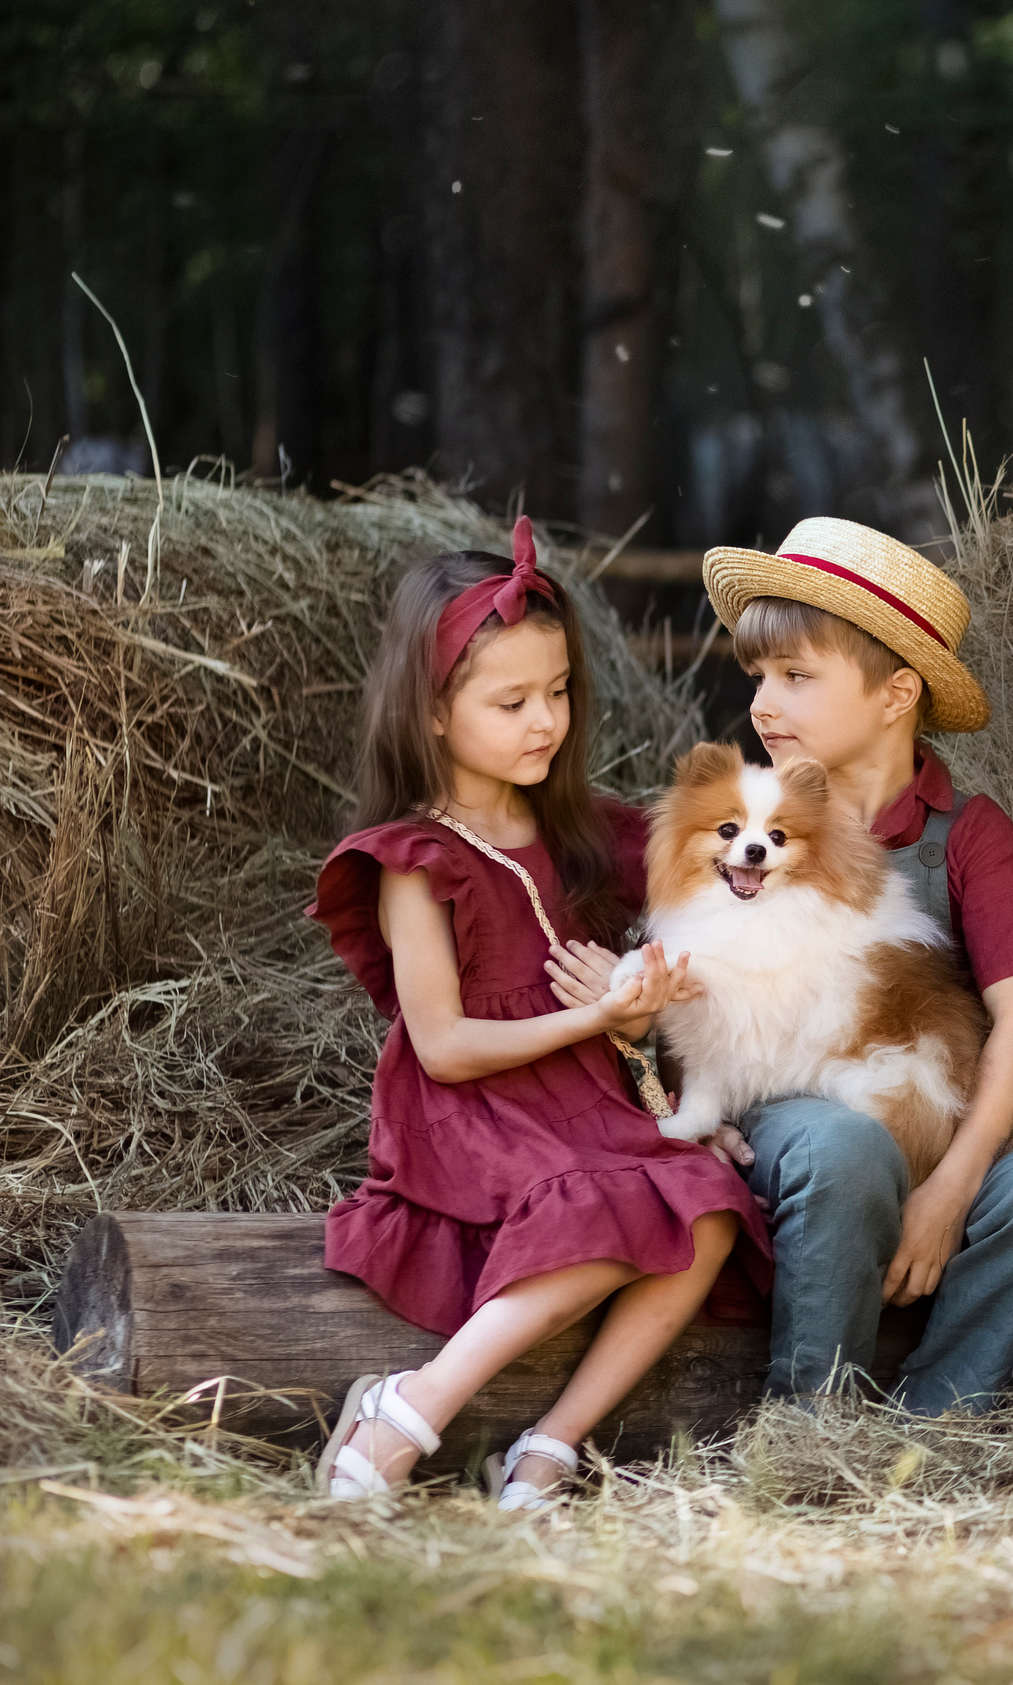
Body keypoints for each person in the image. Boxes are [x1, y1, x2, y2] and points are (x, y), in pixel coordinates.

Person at [306, 518, 770, 1509]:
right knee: (604, 1207)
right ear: (432, 712)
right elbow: (445, 1045)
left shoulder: (586, 833)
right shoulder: (413, 862)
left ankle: (550, 1446)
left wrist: (646, 1000)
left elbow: (680, 944)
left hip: (589, 1099)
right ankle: (409, 1409)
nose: (544, 721)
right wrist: (590, 1017)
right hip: (472, 1112)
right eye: (511, 700)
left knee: (713, 1213)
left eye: (558, 693)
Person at [623, 515, 1013, 1415]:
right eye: (758, 676)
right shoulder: (746, 819)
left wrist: (954, 1185)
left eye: (797, 676)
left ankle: (936, 1426)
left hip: (919, 1101)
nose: (763, 702)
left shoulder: (970, 834)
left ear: (896, 694)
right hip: (784, 1108)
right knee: (847, 1147)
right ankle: (814, 1422)